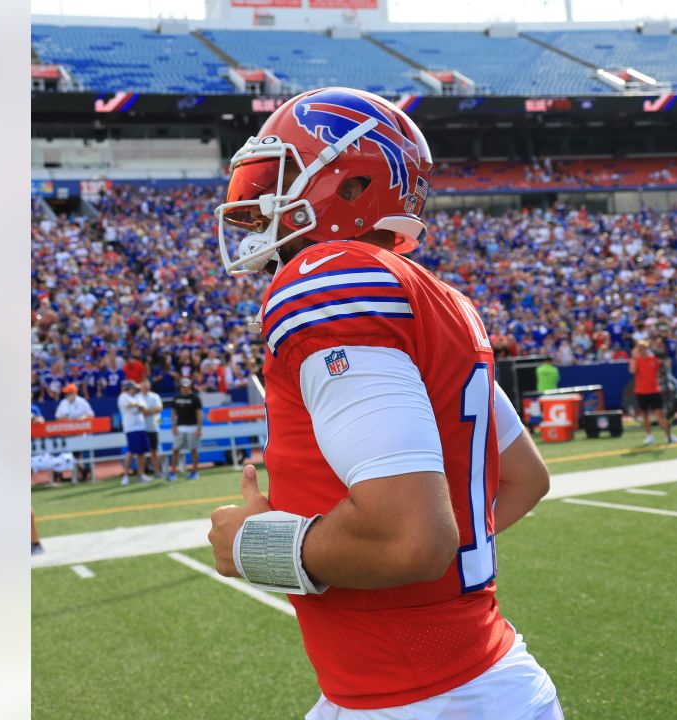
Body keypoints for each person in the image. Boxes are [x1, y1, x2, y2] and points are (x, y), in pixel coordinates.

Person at [205, 88, 560, 719]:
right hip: (468, 678)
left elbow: (410, 542)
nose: (258, 197)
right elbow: (525, 479)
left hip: (423, 698)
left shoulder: (328, 276)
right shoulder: (441, 302)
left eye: (278, 173)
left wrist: (257, 544)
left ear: (349, 185)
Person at [630, 340, 677, 446]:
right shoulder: (636, 360)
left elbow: (666, 366)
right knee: (645, 415)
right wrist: (634, 357)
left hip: (654, 391)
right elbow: (632, 371)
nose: (642, 351)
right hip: (641, 392)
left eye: (644, 348)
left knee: (660, 414)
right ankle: (649, 436)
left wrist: (661, 353)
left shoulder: (654, 359)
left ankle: (669, 436)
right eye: (640, 348)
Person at [54, 383, 95, 483]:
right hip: (67, 435)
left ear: (74, 393)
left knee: (83, 454)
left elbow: (91, 415)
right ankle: (72, 473)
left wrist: (83, 418)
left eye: (69, 393)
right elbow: (58, 417)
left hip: (81, 435)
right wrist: (67, 420)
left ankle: (86, 472)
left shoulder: (82, 402)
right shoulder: (63, 403)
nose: (67, 395)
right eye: (66, 393)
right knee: (67, 455)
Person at [117, 380, 152, 486]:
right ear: (129, 388)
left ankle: (141, 475)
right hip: (131, 428)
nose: (135, 389)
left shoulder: (138, 396)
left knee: (141, 453)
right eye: (133, 388)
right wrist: (137, 406)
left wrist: (136, 405)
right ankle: (126, 476)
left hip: (141, 427)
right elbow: (131, 405)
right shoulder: (123, 397)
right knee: (131, 452)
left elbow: (144, 407)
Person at [168, 378, 202, 481]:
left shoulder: (195, 398)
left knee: (193, 450)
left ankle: (195, 471)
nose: (184, 389)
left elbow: (199, 414)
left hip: (192, 427)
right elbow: (173, 413)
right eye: (183, 387)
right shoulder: (176, 398)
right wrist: (174, 425)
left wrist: (199, 428)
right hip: (180, 427)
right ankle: (173, 473)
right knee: (175, 449)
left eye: (186, 387)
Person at [139, 378, 165, 478]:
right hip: (141, 428)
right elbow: (140, 412)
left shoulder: (155, 396)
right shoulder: (137, 397)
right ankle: (142, 474)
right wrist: (151, 411)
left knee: (154, 450)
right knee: (141, 452)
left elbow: (159, 408)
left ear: (149, 386)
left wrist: (147, 412)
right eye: (143, 385)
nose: (145, 387)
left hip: (153, 427)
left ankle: (157, 472)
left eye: (147, 385)